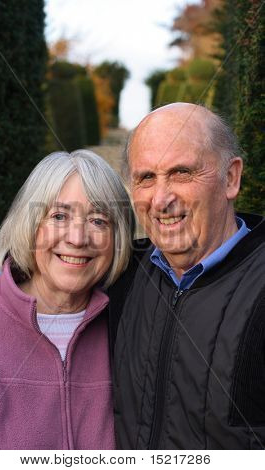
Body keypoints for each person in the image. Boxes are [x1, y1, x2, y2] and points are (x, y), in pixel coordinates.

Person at [110, 103, 265, 449]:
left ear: (230, 178)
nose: (161, 199)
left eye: (181, 172)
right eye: (146, 178)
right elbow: (54, 275)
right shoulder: (121, 272)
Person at [0, 149, 135, 450]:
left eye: (98, 220)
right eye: (58, 216)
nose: (78, 238)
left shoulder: (131, 327)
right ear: (30, 227)